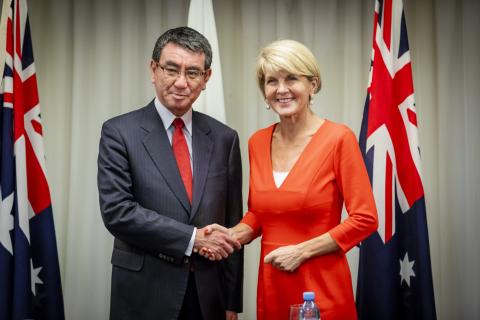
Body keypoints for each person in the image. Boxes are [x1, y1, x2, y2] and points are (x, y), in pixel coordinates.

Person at [203, 39, 378, 319]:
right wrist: (230, 236)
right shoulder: (257, 142)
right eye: (272, 81)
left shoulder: (339, 139)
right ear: (264, 91)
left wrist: (301, 251)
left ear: (313, 84)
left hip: (322, 288)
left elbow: (365, 219)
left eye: (292, 78)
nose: (281, 89)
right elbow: (260, 214)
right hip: (273, 285)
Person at [97, 27, 243, 320]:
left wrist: (231, 300)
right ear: (154, 69)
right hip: (144, 292)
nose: (181, 82)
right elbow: (118, 212)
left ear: (206, 78)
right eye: (171, 69)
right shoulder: (119, 132)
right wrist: (193, 238)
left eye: (192, 73)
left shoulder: (224, 137)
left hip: (208, 296)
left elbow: (232, 225)